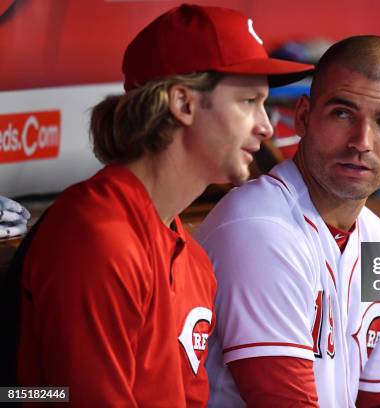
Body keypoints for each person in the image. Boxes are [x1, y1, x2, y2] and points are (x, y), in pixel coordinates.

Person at [7, 4, 312, 406]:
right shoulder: (97, 235)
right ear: (183, 104)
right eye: (248, 101)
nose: (267, 126)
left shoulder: (193, 261)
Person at [195, 35, 380, 407]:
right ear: (303, 116)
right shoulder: (260, 229)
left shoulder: (378, 240)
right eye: (342, 113)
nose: (362, 141)